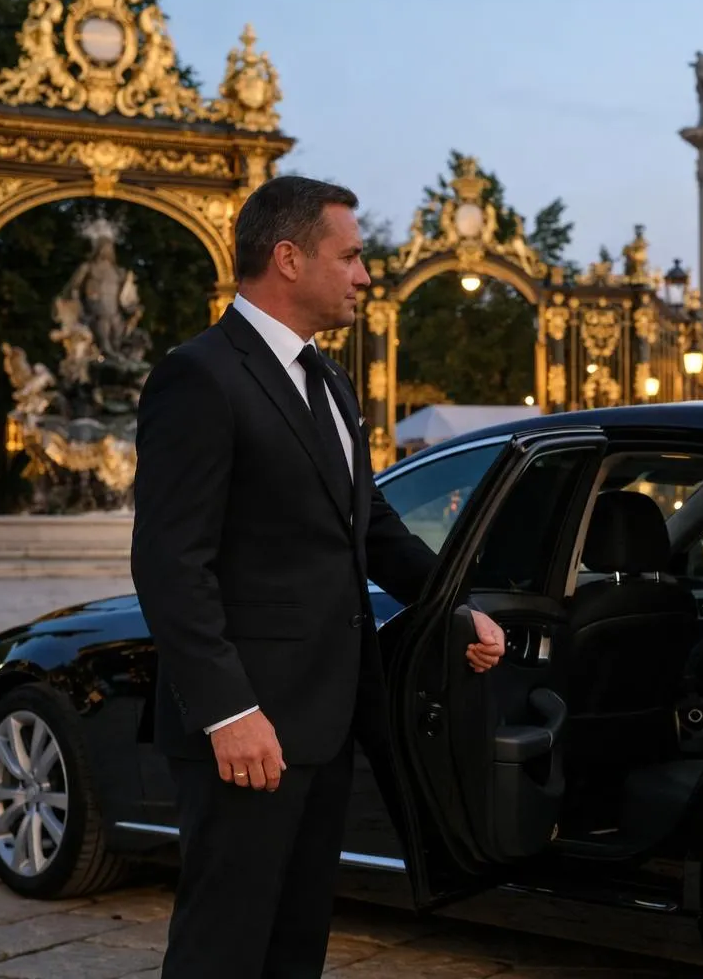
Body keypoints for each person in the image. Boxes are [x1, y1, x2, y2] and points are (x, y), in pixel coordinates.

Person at [131, 175, 506, 979]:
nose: (366, 275)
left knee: (295, 940)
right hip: (248, 727)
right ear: (289, 258)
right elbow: (170, 563)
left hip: (326, 717)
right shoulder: (199, 376)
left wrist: (453, 608)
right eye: (354, 256)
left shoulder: (330, 381)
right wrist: (230, 710)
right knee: (222, 946)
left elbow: (370, 530)